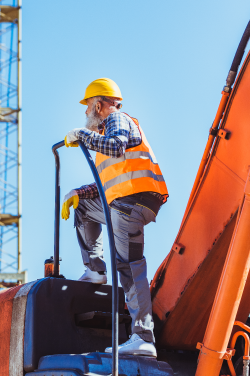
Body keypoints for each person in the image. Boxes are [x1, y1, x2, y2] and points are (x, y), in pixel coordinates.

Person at [62, 78, 169, 357]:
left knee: (129, 266)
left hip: (131, 202)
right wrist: (80, 193)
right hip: (125, 200)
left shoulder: (117, 119)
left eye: (87, 107)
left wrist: (82, 135)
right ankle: (95, 271)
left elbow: (116, 145)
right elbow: (111, 183)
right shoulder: (105, 135)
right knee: (84, 208)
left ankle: (143, 336)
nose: (85, 113)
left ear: (99, 104)